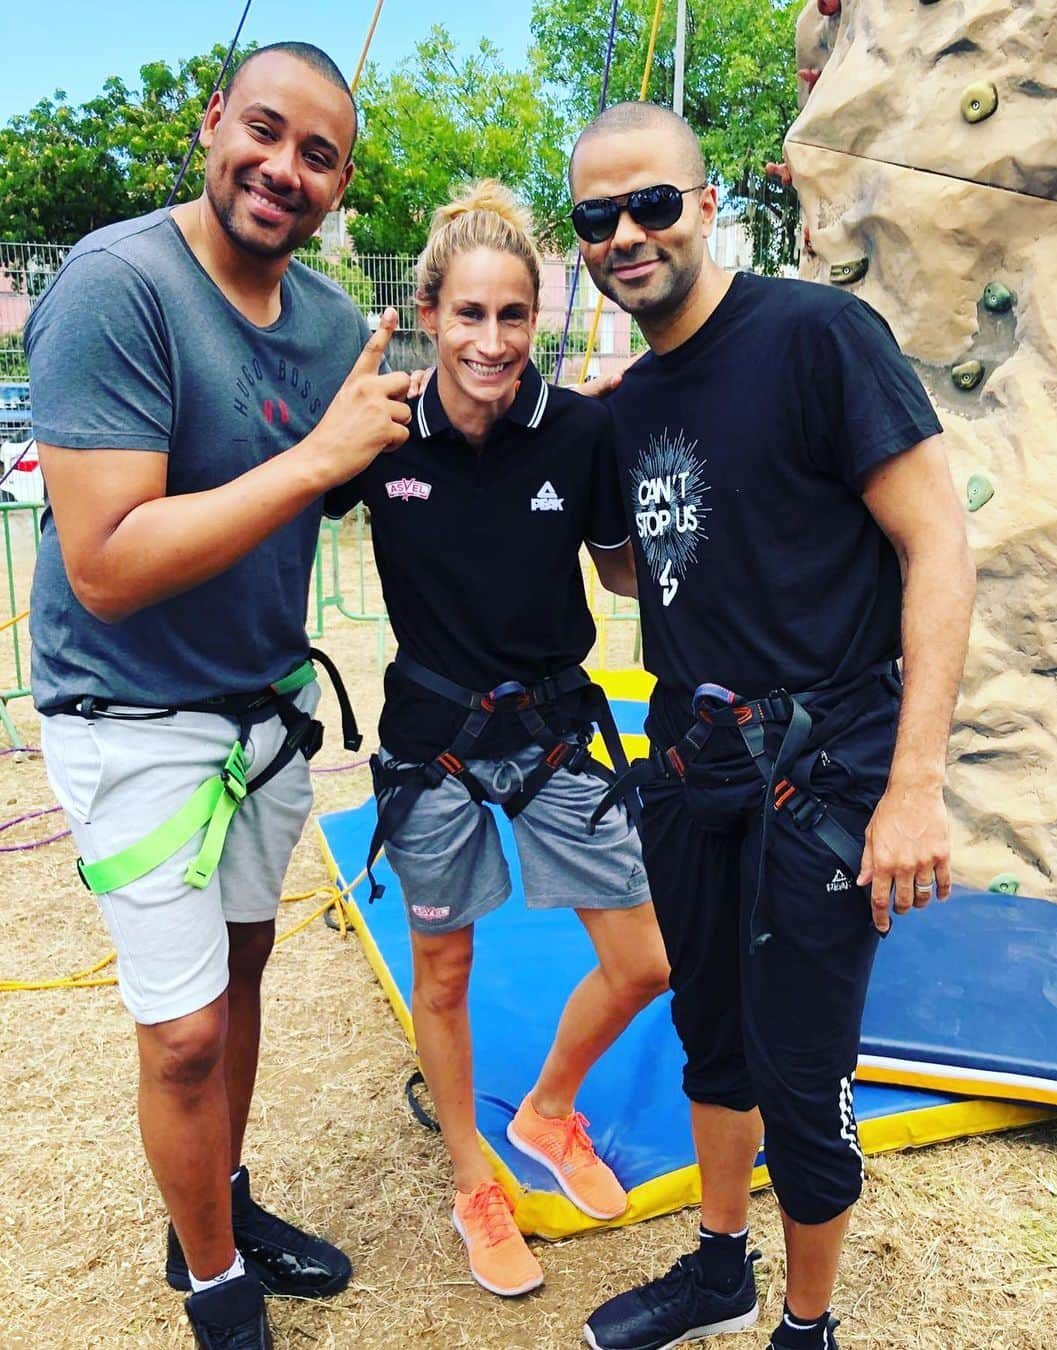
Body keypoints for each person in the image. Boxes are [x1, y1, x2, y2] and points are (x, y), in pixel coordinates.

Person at [567, 103, 976, 1350]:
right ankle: (719, 1265)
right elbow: (651, 571)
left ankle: (808, 1323)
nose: (627, 234)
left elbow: (938, 541)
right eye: (597, 218)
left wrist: (915, 784)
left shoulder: (817, 337)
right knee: (712, 1035)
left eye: (650, 205)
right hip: (694, 770)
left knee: (804, 1066)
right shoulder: (630, 402)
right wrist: (591, 471)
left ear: (704, 205)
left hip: (827, 768)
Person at [26, 43, 413, 1349]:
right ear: (212, 124)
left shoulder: (321, 321)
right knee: (184, 1032)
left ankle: (220, 1201)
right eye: (265, 131)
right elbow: (107, 559)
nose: (284, 169)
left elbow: (341, 485)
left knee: (240, 975)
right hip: (132, 714)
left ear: (340, 185)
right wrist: (318, 458)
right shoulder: (118, 285)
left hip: (265, 711)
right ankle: (212, 1281)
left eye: (319, 156)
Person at [325, 180, 670, 1300]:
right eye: (468, 315)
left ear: (539, 317)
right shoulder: (380, 429)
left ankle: (547, 1107)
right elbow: (284, 499)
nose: (490, 340)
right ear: (430, 312)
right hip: (434, 744)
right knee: (447, 967)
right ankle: (473, 1175)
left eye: (511, 316)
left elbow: (627, 569)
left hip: (557, 731)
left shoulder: (578, 429)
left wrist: (662, 429)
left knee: (645, 961)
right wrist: (334, 414)